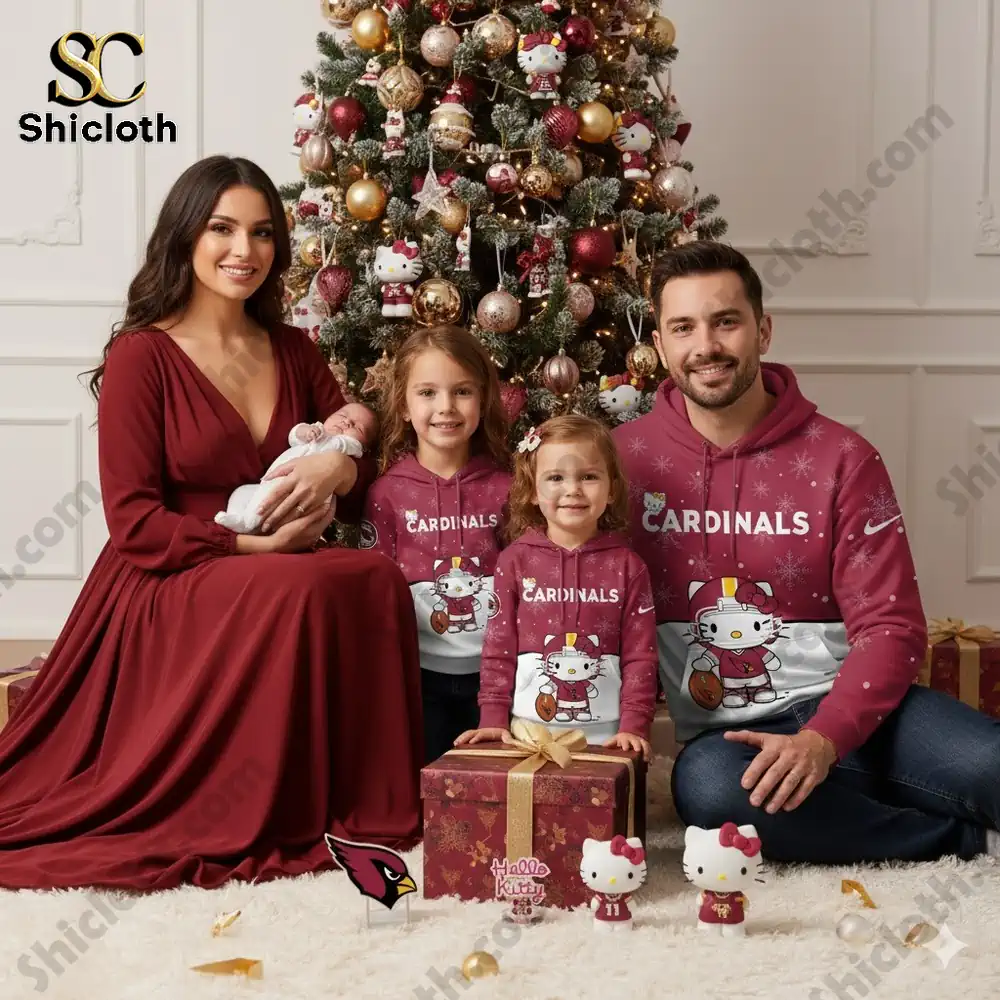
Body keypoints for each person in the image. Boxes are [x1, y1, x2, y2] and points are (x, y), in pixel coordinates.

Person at [0, 155, 424, 891]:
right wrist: (246, 542)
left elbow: (352, 468)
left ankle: (351, 803)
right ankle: (254, 809)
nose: (244, 250)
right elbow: (133, 520)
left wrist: (340, 465)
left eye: (262, 233)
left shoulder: (294, 349)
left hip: (284, 553)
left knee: (374, 577)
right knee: (298, 591)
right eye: (223, 228)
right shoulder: (142, 356)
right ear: (185, 237)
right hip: (173, 570)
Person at [614, 240, 1000, 862]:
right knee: (709, 792)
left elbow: (893, 628)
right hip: (729, 737)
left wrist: (825, 739)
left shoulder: (842, 458)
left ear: (763, 330)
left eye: (726, 321)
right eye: (683, 327)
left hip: (863, 712)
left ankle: (865, 793)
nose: (705, 345)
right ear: (660, 345)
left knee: (990, 762)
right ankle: (959, 839)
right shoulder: (618, 465)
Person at [458, 415, 657, 759]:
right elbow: (498, 648)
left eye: (589, 477)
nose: (573, 489)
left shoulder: (629, 567)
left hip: (607, 735)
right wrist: (493, 716)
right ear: (533, 491)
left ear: (611, 488)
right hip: (526, 733)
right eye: (555, 478)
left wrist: (633, 725)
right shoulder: (513, 562)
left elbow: (641, 656)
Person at [360, 325, 511, 764]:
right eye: (427, 393)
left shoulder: (509, 488)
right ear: (404, 406)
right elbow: (376, 591)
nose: (445, 408)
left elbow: (527, 582)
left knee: (491, 782)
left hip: (496, 681)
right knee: (426, 781)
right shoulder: (386, 493)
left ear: (482, 400)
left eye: (462, 391)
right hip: (418, 679)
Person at [215, 401, 378, 533]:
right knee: (241, 492)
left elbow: (347, 445)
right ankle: (238, 518)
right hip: (267, 483)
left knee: (269, 499)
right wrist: (305, 431)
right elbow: (293, 435)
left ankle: (249, 526)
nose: (346, 422)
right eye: (342, 415)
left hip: (295, 489)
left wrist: (329, 438)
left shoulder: (347, 446)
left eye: (357, 427)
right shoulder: (316, 430)